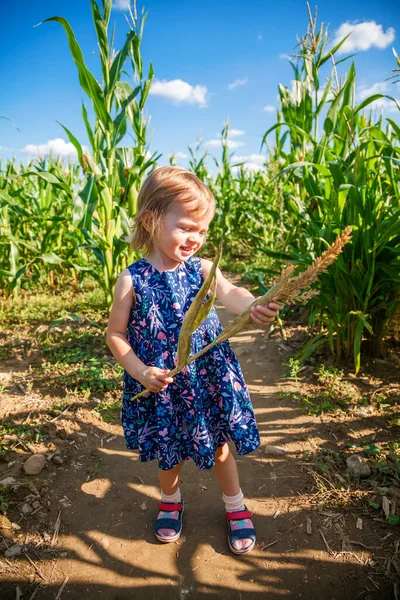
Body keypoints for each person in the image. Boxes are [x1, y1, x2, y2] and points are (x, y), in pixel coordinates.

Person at [106, 166, 282, 555]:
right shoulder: (131, 279)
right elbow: (115, 334)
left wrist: (253, 305)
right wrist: (139, 370)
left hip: (206, 377)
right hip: (163, 383)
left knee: (219, 446)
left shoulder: (202, 269)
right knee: (169, 452)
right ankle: (171, 501)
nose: (195, 239)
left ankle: (235, 505)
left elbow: (231, 291)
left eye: (202, 231)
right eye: (187, 227)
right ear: (152, 220)